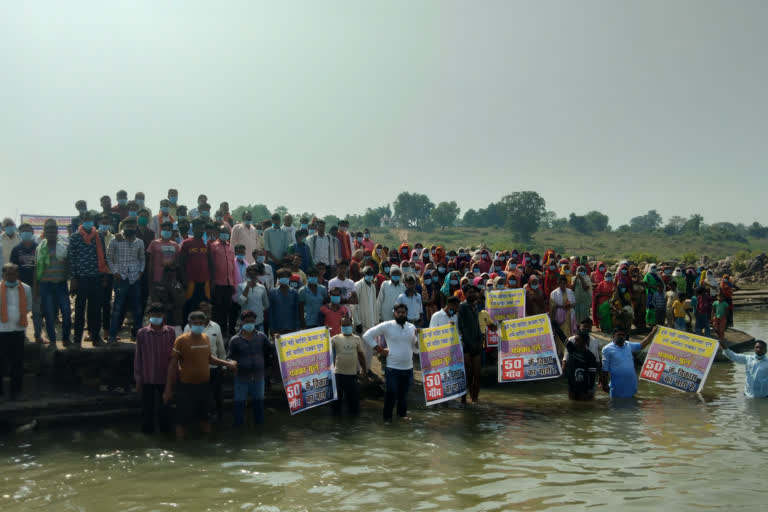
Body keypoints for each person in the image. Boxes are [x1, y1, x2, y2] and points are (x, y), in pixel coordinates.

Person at [163, 311, 236, 439]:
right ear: (189, 324)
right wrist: (168, 389)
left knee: (205, 420)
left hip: (203, 386)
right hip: (186, 387)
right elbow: (172, 365)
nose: (198, 325)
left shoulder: (205, 338)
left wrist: (227, 363)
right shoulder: (181, 340)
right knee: (181, 422)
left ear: (204, 323)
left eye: (200, 323)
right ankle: (181, 446)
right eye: (195, 323)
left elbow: (209, 359)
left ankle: (206, 448)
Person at [362, 303, 419, 422]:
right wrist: (379, 349)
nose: (401, 314)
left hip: (408, 368)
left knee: (403, 396)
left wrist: (419, 339)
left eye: (403, 312)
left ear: (406, 313)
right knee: (391, 394)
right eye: (399, 312)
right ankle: (387, 419)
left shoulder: (412, 327)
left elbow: (415, 348)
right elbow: (367, 335)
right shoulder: (387, 325)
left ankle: (401, 417)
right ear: (394, 313)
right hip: (392, 368)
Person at [68, 210, 109, 347]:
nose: (88, 221)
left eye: (90, 219)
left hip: (96, 278)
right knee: (79, 310)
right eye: (86, 219)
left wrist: (104, 276)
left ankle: (95, 337)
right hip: (81, 279)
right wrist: (73, 278)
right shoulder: (75, 237)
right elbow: (71, 260)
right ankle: (77, 339)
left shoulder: (99, 237)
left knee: (96, 309)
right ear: (81, 221)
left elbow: (103, 256)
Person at [133, 303, 176, 434]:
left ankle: (166, 439)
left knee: (165, 412)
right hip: (147, 377)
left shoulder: (171, 332)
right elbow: (138, 356)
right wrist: (138, 378)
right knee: (147, 413)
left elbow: (174, 358)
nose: (156, 317)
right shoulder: (142, 333)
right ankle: (148, 439)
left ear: (164, 316)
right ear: (149, 316)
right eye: (153, 315)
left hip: (165, 378)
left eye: (159, 315)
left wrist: (174, 379)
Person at [183, 301, 226, 421]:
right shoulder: (188, 328)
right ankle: (199, 420)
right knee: (199, 397)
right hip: (196, 370)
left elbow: (220, 348)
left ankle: (219, 420)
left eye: (209, 310)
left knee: (217, 397)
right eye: (204, 310)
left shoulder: (216, 326)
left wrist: (223, 366)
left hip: (214, 369)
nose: (207, 312)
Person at [228, 310, 271, 426]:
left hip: (258, 377)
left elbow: (270, 350)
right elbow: (229, 357)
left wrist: (278, 340)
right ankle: (239, 434)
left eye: (252, 321)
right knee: (239, 407)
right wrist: (231, 363)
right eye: (247, 321)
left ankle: (259, 431)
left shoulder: (262, 337)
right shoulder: (234, 340)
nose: (250, 323)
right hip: (241, 378)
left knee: (259, 407)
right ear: (242, 322)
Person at [106, 217, 145, 343]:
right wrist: (114, 271)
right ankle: (112, 336)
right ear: (123, 226)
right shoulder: (115, 240)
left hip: (135, 277)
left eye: (133, 226)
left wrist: (141, 271)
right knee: (118, 308)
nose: (130, 228)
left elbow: (142, 258)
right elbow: (109, 258)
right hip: (121, 277)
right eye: (128, 226)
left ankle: (138, 337)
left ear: (136, 227)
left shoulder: (139, 242)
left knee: (137, 309)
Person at [36, 218, 71, 348]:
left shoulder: (64, 246)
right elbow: (36, 269)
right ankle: (52, 340)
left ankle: (66, 338)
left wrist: (70, 280)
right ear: (44, 231)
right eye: (48, 229)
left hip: (61, 285)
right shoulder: (39, 248)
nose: (50, 231)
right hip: (46, 286)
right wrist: (36, 289)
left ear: (57, 231)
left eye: (53, 228)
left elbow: (68, 265)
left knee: (66, 313)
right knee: (49, 315)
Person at [0, 263, 32, 400]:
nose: (11, 276)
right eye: (8, 274)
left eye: (13, 274)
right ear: (3, 275)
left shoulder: (26, 289)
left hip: (18, 330)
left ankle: (16, 392)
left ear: (17, 275)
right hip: (2, 331)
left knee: (17, 364)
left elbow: (28, 307)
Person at [601, 325, 657, 398]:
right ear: (613, 336)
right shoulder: (607, 349)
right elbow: (604, 369)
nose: (621, 336)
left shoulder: (628, 345)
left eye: (623, 335)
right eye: (619, 335)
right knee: (617, 406)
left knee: (632, 404)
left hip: (631, 384)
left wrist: (653, 332)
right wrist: (604, 385)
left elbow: (642, 344)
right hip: (617, 386)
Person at [458, 284, 492, 403]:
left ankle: (475, 399)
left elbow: (477, 326)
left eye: (474, 292)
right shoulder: (462, 307)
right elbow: (461, 327)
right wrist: (469, 342)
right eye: (470, 292)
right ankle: (463, 400)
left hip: (477, 344)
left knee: (477, 375)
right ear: (465, 294)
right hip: (467, 345)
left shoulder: (476, 306)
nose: (472, 294)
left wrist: (479, 341)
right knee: (468, 374)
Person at [9, 223, 43, 342]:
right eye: (23, 231)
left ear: (33, 233)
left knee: (37, 312)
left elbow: (40, 268)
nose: (26, 233)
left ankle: (38, 336)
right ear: (20, 234)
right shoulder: (16, 250)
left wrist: (37, 286)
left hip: (35, 285)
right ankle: (21, 335)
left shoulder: (38, 248)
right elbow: (13, 269)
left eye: (28, 231)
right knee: (20, 312)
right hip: (20, 286)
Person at [332, 314, 367, 414]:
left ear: (351, 325)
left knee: (353, 405)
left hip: (352, 375)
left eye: (348, 325)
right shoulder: (335, 339)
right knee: (336, 405)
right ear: (340, 326)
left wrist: (364, 372)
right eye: (344, 325)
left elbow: (361, 356)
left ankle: (352, 423)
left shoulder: (357, 339)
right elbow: (323, 348)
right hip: (338, 374)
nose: (346, 327)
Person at [179, 220, 211, 319]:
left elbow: (210, 262)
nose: (200, 230)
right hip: (190, 281)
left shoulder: (206, 243)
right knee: (188, 306)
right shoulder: (186, 243)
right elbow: (181, 262)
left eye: (202, 228)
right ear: (193, 229)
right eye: (198, 228)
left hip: (204, 281)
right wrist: (183, 279)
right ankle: (186, 327)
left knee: (202, 306)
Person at [209, 225, 237, 336]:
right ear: (218, 233)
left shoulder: (230, 247)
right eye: (222, 232)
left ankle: (225, 332)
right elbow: (210, 266)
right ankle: (216, 332)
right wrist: (212, 283)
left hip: (229, 284)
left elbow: (233, 268)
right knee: (217, 310)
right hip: (218, 283)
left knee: (227, 309)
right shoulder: (213, 247)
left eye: (226, 232)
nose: (225, 234)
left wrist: (233, 283)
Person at [562, 326, 599, 401]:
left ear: (584, 341)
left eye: (577, 340)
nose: (575, 342)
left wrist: (590, 389)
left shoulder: (590, 356)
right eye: (575, 340)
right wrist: (554, 324)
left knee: (584, 406)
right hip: (572, 387)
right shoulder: (571, 349)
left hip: (584, 389)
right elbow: (562, 336)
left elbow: (592, 375)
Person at [149, 263, 186, 335]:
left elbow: (181, 302)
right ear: (165, 272)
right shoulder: (158, 286)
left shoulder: (179, 286)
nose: (172, 273)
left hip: (176, 322)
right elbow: (155, 303)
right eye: (169, 270)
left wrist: (170, 288)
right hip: (161, 322)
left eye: (174, 271)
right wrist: (167, 305)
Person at [235, 264, 270, 332]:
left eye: (254, 274)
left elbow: (266, 304)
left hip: (259, 322)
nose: (252, 276)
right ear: (247, 274)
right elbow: (240, 302)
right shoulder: (240, 286)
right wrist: (247, 287)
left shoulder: (262, 287)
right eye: (250, 274)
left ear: (257, 275)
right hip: (245, 323)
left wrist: (259, 309)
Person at [269, 268, 300, 336]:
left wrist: (297, 326)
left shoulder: (294, 292)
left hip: (291, 326)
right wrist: (271, 327)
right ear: (278, 278)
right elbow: (271, 311)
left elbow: (297, 311)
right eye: (281, 277)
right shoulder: (273, 293)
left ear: (289, 278)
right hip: (277, 327)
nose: (284, 278)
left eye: (286, 276)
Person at [550, 276, 577, 347]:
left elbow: (574, 303)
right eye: (561, 283)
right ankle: (561, 350)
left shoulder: (570, 291)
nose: (563, 285)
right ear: (558, 283)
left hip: (569, 313)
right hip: (559, 315)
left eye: (564, 283)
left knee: (570, 331)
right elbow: (552, 307)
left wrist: (569, 305)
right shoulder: (554, 293)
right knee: (560, 332)